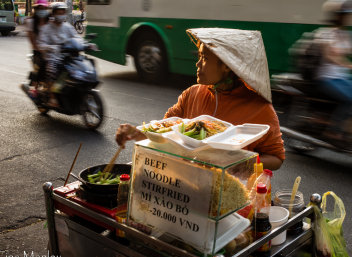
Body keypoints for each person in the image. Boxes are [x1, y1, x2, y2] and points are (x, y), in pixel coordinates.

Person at [116, 28, 285, 170]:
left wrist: (240, 163)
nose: (197, 64)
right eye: (199, 57)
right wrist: (135, 133)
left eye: (204, 58)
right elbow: (164, 135)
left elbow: (276, 158)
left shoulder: (260, 108)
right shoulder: (191, 95)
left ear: (226, 66)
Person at [315, 0, 352, 146]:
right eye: (344, 15)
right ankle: (333, 130)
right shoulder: (325, 34)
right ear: (336, 16)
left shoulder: (345, 35)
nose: (347, 18)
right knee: (350, 99)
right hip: (327, 78)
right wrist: (346, 64)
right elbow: (329, 55)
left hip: (342, 78)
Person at [37, 2, 79, 107]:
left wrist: (85, 44)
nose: (61, 14)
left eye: (63, 12)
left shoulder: (68, 27)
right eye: (59, 13)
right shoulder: (47, 28)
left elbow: (77, 38)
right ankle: (52, 97)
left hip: (67, 56)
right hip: (52, 57)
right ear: (53, 14)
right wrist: (51, 47)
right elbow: (41, 44)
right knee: (51, 71)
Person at [24, 0, 49, 85]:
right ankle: (34, 87)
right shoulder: (31, 21)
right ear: (36, 9)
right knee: (40, 70)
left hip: (50, 50)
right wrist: (39, 49)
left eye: (44, 8)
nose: (42, 10)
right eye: (40, 8)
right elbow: (32, 40)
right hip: (38, 52)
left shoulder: (50, 21)